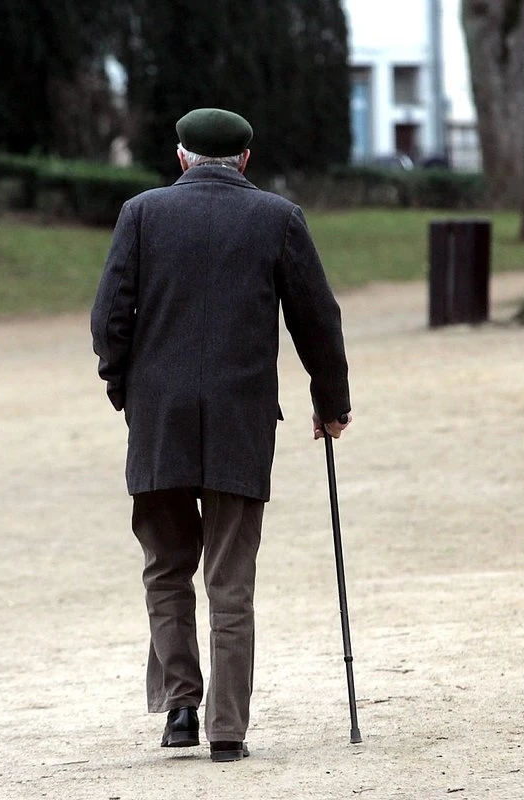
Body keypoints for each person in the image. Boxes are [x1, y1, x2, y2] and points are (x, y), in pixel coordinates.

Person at [90, 107, 351, 763]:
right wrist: (331, 401)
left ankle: (181, 707)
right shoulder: (278, 218)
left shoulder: (142, 214)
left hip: (159, 420)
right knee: (231, 581)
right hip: (240, 420)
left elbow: (108, 318)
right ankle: (227, 728)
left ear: (181, 157)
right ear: (245, 159)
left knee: (166, 570)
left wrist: (125, 389)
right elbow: (317, 319)